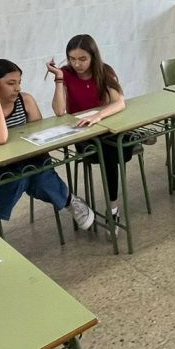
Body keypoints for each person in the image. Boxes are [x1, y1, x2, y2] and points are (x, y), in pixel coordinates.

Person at [0, 58, 94, 233]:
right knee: (17, 178)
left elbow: (38, 136)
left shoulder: (25, 100)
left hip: (28, 159)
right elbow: (0, 138)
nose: (17, 88)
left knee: (35, 175)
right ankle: (68, 200)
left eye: (19, 82)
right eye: (11, 83)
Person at [49, 34, 131, 230]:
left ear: (93, 56)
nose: (77, 64)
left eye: (82, 59)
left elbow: (119, 102)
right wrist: (58, 78)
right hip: (84, 136)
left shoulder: (104, 71)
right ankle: (113, 210)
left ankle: (113, 209)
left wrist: (98, 116)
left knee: (113, 146)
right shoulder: (66, 74)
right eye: (72, 59)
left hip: (105, 129)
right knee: (111, 151)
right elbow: (59, 111)